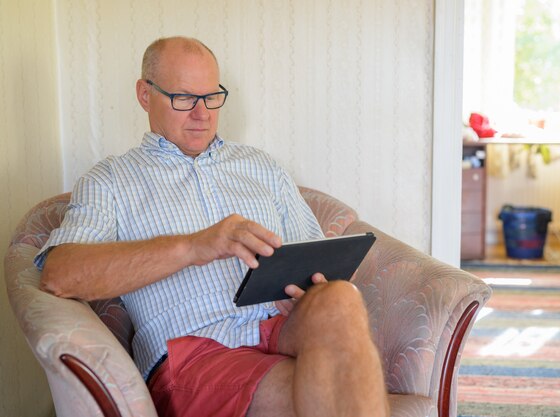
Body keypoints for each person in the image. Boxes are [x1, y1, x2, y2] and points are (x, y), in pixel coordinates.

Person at [35, 36, 389, 417]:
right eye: (184, 98)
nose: (202, 113)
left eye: (211, 97)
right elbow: (60, 274)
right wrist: (193, 246)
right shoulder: (111, 180)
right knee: (330, 394)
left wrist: (311, 287)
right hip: (197, 351)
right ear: (144, 94)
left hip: (282, 327)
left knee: (340, 299)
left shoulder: (261, 166)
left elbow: (315, 255)